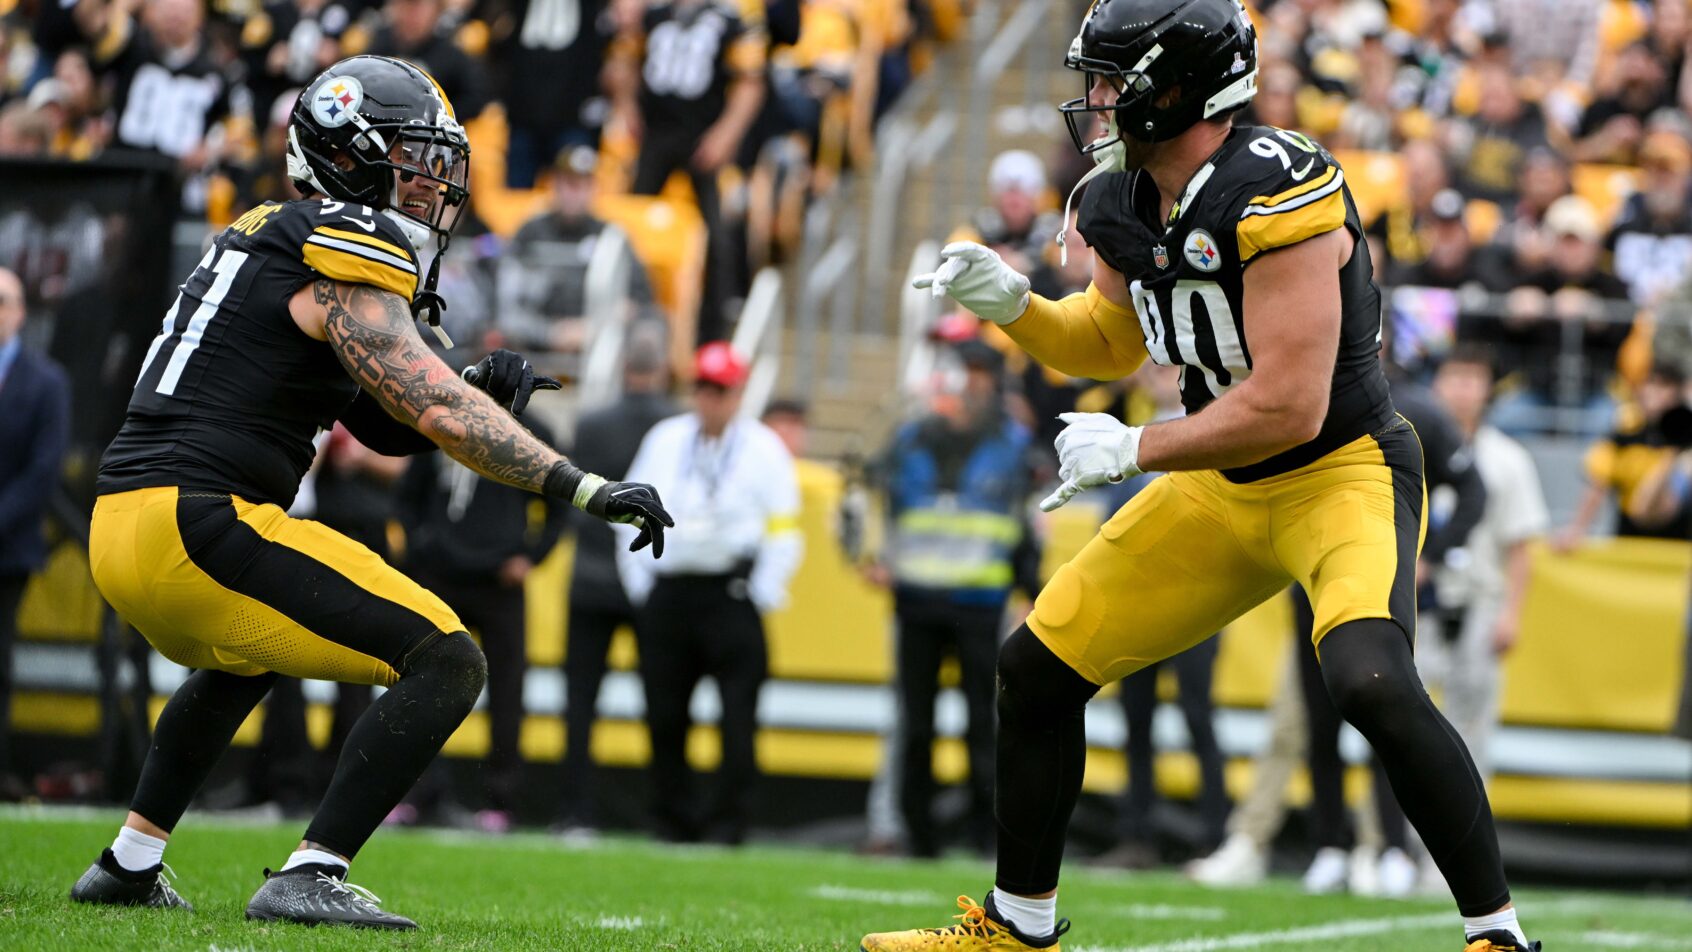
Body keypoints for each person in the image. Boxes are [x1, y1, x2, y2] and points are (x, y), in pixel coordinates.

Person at [862, 1, 1537, 950]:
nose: (1096, 100)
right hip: (1221, 485)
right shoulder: (1119, 195)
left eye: (1113, 80)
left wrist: (1138, 447)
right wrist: (1014, 306)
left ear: (1177, 88)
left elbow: (1291, 405)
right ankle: (1016, 928)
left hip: (1336, 472)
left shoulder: (1276, 188)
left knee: (1372, 679)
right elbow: (1109, 339)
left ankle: (1497, 936)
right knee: (1036, 670)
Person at [68, 55, 670, 929]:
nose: (431, 181)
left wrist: (475, 384)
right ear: (348, 157)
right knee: (449, 659)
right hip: (203, 518)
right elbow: (431, 408)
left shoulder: (264, 232)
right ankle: (313, 870)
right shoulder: (345, 235)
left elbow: (385, 421)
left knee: (249, 655)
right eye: (411, 157)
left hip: (127, 522)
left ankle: (129, 863)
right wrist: (581, 486)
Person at [617, 342, 801, 844]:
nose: (710, 399)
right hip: (671, 592)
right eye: (702, 387)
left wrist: (760, 593)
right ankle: (670, 819)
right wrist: (642, 585)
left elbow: (785, 529)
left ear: (738, 393)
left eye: (720, 389)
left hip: (731, 593)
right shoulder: (666, 439)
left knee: (738, 719)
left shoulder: (763, 447)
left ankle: (728, 822)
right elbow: (626, 512)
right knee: (664, 714)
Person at [871, 339, 1039, 858]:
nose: (971, 384)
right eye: (965, 371)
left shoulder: (1014, 443)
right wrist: (870, 555)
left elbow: (1026, 524)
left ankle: (983, 836)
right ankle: (916, 835)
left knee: (983, 723)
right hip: (916, 600)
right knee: (915, 724)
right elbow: (869, 492)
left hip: (980, 602)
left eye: (980, 373)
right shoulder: (910, 437)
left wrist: (1029, 590)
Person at [399, 388, 568, 832]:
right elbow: (408, 495)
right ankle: (417, 792)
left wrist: (530, 557)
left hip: (499, 581)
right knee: (425, 684)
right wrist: (421, 547)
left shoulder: (533, 432)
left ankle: (501, 800)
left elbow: (558, 507)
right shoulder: (442, 424)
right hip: (440, 577)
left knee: (507, 690)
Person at [558, 324, 677, 833]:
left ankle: (575, 811)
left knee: (580, 703)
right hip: (651, 578)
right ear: (663, 369)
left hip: (590, 576)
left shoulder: (592, 423)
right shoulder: (675, 425)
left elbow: (572, 496)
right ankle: (664, 814)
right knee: (664, 701)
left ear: (624, 366)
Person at [608, 0, 767, 343]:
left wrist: (726, 134)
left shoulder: (731, 20)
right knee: (632, 227)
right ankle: (630, 314)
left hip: (705, 136)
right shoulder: (655, 14)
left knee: (717, 235)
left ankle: (714, 332)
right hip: (656, 136)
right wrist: (627, 107)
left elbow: (750, 83)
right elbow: (624, 61)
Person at [0, 267, 71, 801]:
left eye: (3, 301)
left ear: (22, 312)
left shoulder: (46, 381)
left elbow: (44, 470)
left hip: (9, 549)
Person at [1557, 362, 1692, 547]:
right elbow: (1598, 483)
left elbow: (1656, 507)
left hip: (1678, 542)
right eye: (1651, 383)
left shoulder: (1686, 436)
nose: (1654, 393)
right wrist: (1577, 528)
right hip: (1628, 539)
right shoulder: (1624, 428)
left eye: (1664, 386)